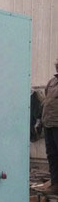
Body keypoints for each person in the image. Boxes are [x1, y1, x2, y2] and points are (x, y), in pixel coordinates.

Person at [38, 57, 58, 194]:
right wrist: (40, 121)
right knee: (51, 154)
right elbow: (46, 101)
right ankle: (55, 184)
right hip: (48, 123)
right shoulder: (52, 82)